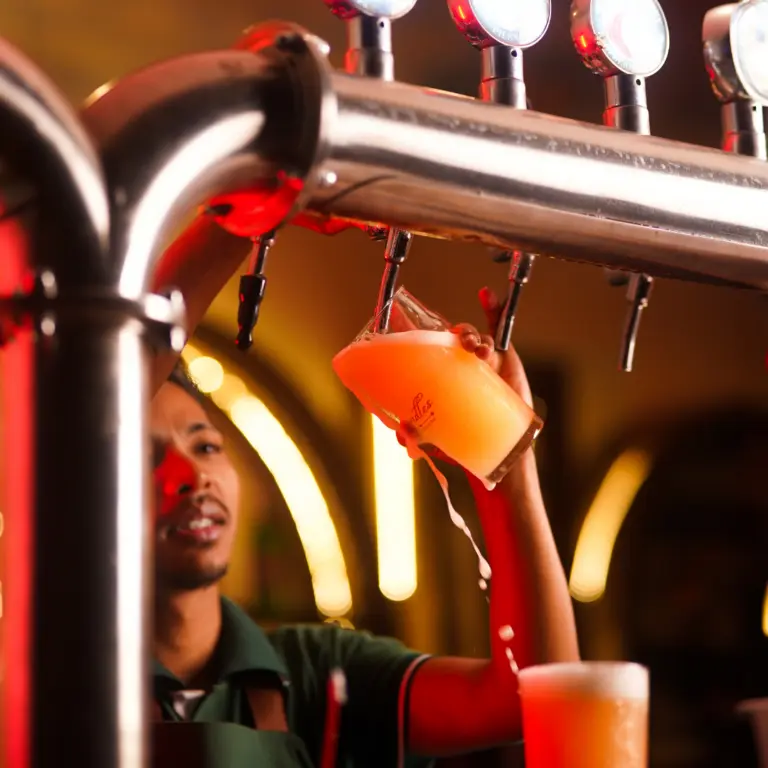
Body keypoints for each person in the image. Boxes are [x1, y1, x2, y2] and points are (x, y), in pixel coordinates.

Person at [149, 213, 579, 767]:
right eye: (141, 459)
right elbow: (94, 385)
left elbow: (536, 699)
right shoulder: (50, 685)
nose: (192, 475)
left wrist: (505, 458)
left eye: (205, 446)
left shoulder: (320, 672)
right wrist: (242, 215)